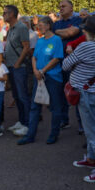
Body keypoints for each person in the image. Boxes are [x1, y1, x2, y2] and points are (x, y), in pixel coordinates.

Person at [64, 16, 95, 183]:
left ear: (86, 31)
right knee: (94, 127)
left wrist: (71, 54)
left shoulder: (85, 46)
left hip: (86, 93)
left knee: (94, 132)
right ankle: (91, 159)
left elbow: (66, 65)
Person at [20, 16, 64, 144]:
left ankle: (53, 134)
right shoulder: (39, 40)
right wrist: (35, 71)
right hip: (38, 77)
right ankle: (30, 135)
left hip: (52, 77)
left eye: (41, 24)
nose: (39, 27)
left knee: (55, 106)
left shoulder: (56, 40)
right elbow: (34, 57)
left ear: (49, 25)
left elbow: (56, 59)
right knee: (35, 106)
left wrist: (42, 71)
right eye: (38, 25)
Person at [53, 0, 83, 129]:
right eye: (59, 6)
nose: (61, 8)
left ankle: (81, 123)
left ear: (72, 8)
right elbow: (64, 34)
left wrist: (59, 32)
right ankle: (64, 120)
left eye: (64, 6)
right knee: (61, 93)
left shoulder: (78, 20)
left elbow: (71, 33)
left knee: (76, 92)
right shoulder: (56, 23)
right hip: (59, 63)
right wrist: (64, 32)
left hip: (74, 63)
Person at [2, 5, 32, 136]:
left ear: (12, 14)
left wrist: (18, 63)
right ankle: (21, 121)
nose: (3, 15)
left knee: (22, 95)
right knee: (16, 95)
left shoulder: (21, 27)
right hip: (11, 66)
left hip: (19, 67)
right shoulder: (10, 29)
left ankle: (27, 124)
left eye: (5, 13)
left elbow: (26, 47)